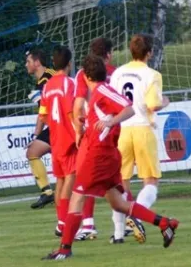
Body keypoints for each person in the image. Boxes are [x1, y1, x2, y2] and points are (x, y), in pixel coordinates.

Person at [42, 55, 179, 260]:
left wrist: (112, 121)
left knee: (77, 198)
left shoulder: (102, 90)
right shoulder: (97, 95)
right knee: (119, 204)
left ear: (86, 76)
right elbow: (102, 119)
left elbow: (129, 107)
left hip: (99, 157)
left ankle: (64, 249)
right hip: (105, 155)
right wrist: (87, 122)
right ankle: (165, 223)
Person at [109, 34, 170, 243]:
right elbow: (153, 105)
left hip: (122, 130)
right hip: (143, 128)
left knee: (120, 184)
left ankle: (118, 234)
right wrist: (165, 101)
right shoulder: (152, 74)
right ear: (149, 53)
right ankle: (136, 215)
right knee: (151, 181)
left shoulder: (117, 73)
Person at [71, 37, 118, 240]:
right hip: (116, 129)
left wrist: (78, 130)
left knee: (84, 176)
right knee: (115, 180)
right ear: (108, 54)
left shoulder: (84, 74)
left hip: (94, 132)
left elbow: (78, 104)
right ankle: (125, 222)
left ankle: (88, 224)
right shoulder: (116, 72)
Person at [38, 46, 78, 237]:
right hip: (68, 137)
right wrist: (77, 131)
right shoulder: (68, 84)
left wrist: (55, 125)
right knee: (72, 175)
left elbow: (43, 115)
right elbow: (71, 111)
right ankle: (64, 221)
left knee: (60, 178)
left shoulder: (47, 86)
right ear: (69, 63)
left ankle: (60, 222)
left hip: (55, 137)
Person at [24, 48, 56, 209]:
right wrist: (35, 135)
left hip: (64, 127)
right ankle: (47, 193)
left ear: (37, 63)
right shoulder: (41, 83)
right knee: (32, 152)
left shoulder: (50, 77)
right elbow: (43, 113)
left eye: (28, 61)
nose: (26, 65)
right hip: (55, 127)